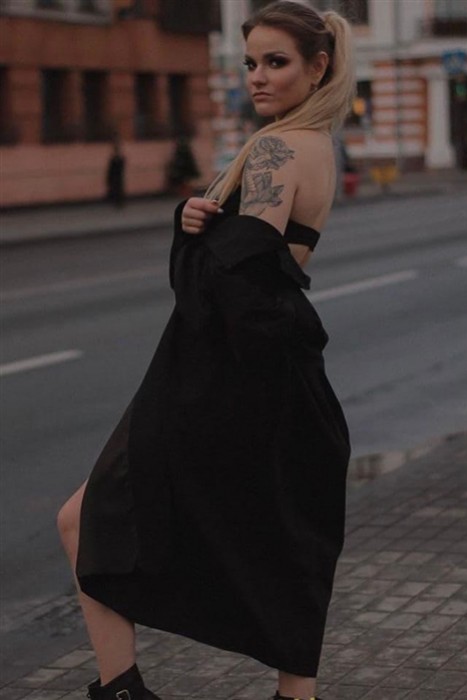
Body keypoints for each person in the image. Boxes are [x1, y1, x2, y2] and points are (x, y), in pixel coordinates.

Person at [57, 2, 355, 699]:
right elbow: (258, 262)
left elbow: (232, 280)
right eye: (250, 63)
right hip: (264, 364)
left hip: (217, 367)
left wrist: (190, 229)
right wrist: (199, 219)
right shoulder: (313, 144)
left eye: (276, 62)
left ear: (318, 67)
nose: (257, 76)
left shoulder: (278, 148)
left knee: (87, 520)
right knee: (274, 538)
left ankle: (122, 690)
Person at [106, 141, 126, 207]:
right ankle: (117, 201)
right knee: (117, 188)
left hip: (118, 175)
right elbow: (111, 168)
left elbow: (120, 166)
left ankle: (119, 202)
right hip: (116, 176)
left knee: (118, 188)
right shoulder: (114, 159)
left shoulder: (118, 159)